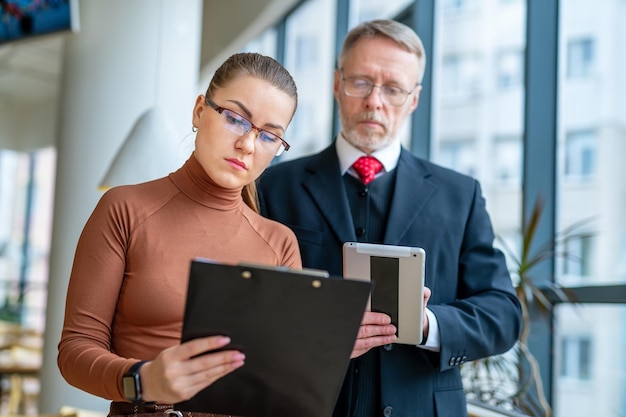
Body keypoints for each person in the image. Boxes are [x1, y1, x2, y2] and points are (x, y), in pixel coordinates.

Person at [257, 19, 523, 417]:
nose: (374, 101)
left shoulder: (460, 195)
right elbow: (251, 302)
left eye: (393, 89)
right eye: (361, 82)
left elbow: (503, 313)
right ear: (336, 84)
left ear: (414, 99)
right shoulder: (273, 185)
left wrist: (427, 324)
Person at [58, 52, 300, 417]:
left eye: (268, 136)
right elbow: (75, 351)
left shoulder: (280, 244)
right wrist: (143, 380)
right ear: (199, 111)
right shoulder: (124, 209)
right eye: (235, 119)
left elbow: (281, 376)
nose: (248, 145)